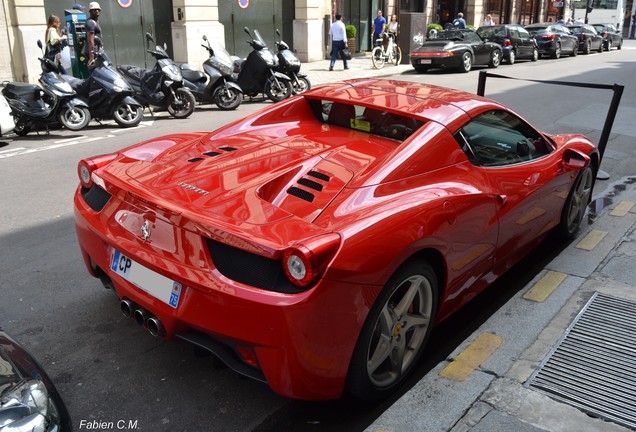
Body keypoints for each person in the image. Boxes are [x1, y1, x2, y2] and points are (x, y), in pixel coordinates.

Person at [86, 1, 102, 67]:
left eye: (98, 9)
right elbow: (91, 41)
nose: (97, 11)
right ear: (90, 11)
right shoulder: (90, 23)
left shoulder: (95, 22)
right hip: (94, 52)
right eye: (95, 9)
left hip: (97, 51)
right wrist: (91, 58)